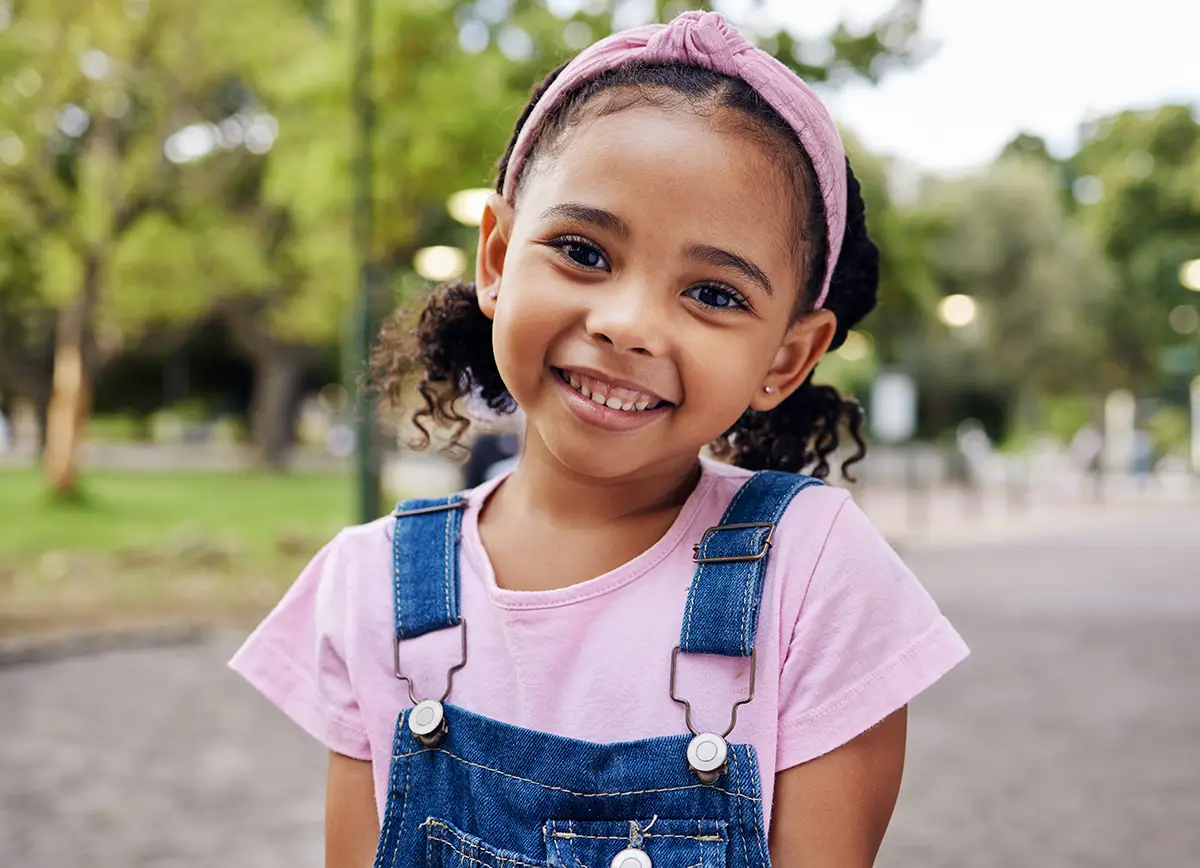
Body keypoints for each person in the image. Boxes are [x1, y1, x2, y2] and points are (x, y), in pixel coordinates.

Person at [230, 11, 968, 867]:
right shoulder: (371, 587)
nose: (626, 325)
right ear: (499, 258)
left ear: (788, 355)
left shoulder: (815, 579)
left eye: (716, 295)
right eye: (583, 250)